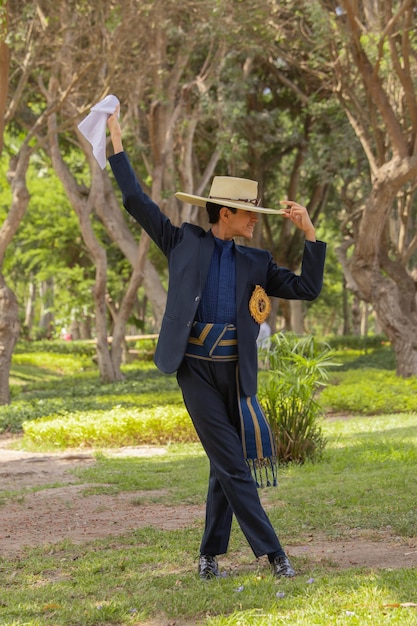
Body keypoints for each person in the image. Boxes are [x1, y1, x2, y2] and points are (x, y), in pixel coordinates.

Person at [106, 109, 326, 580]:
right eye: (249, 213)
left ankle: (208, 555)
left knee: (224, 465)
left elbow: (308, 289)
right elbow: (134, 198)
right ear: (225, 213)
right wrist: (116, 140)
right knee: (233, 462)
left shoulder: (258, 260)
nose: (254, 220)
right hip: (196, 372)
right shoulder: (181, 241)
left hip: (238, 373)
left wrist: (309, 235)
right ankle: (273, 554)